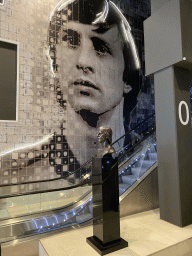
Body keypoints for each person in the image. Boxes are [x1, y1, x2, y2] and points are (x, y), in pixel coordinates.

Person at [0, 0, 141, 183]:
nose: (83, 61)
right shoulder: (11, 174)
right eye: (71, 42)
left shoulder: (147, 155)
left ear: (127, 79)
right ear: (55, 63)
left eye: (101, 48)